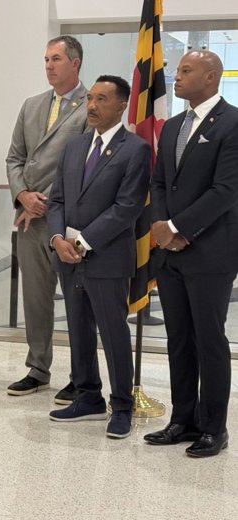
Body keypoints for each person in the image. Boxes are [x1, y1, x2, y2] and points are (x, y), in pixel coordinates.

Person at [145, 50, 238, 457]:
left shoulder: (232, 123)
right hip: (171, 255)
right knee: (179, 339)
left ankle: (214, 428)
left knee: (209, 340)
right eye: (177, 70)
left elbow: (226, 190)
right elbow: (159, 182)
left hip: (211, 252)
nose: (176, 77)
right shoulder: (172, 127)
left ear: (211, 77)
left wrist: (179, 228)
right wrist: (161, 226)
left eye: (186, 70)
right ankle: (183, 419)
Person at [46, 76, 151, 438]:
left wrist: (82, 242)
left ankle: (121, 405)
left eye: (102, 99)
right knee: (78, 329)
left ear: (122, 105)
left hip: (106, 257)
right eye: (90, 98)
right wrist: (57, 239)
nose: (92, 105)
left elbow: (127, 207)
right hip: (67, 256)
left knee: (113, 333)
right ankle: (87, 396)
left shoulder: (135, 150)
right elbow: (57, 199)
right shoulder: (74, 147)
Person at [6, 35, 89, 404]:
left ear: (75, 62)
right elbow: (14, 158)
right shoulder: (32, 105)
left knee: (76, 302)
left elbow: (84, 165)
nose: (49, 66)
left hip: (67, 221)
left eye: (56, 59)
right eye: (46, 59)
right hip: (29, 220)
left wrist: (45, 200)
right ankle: (38, 369)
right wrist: (23, 195)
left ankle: (81, 376)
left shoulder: (91, 105)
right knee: (36, 299)